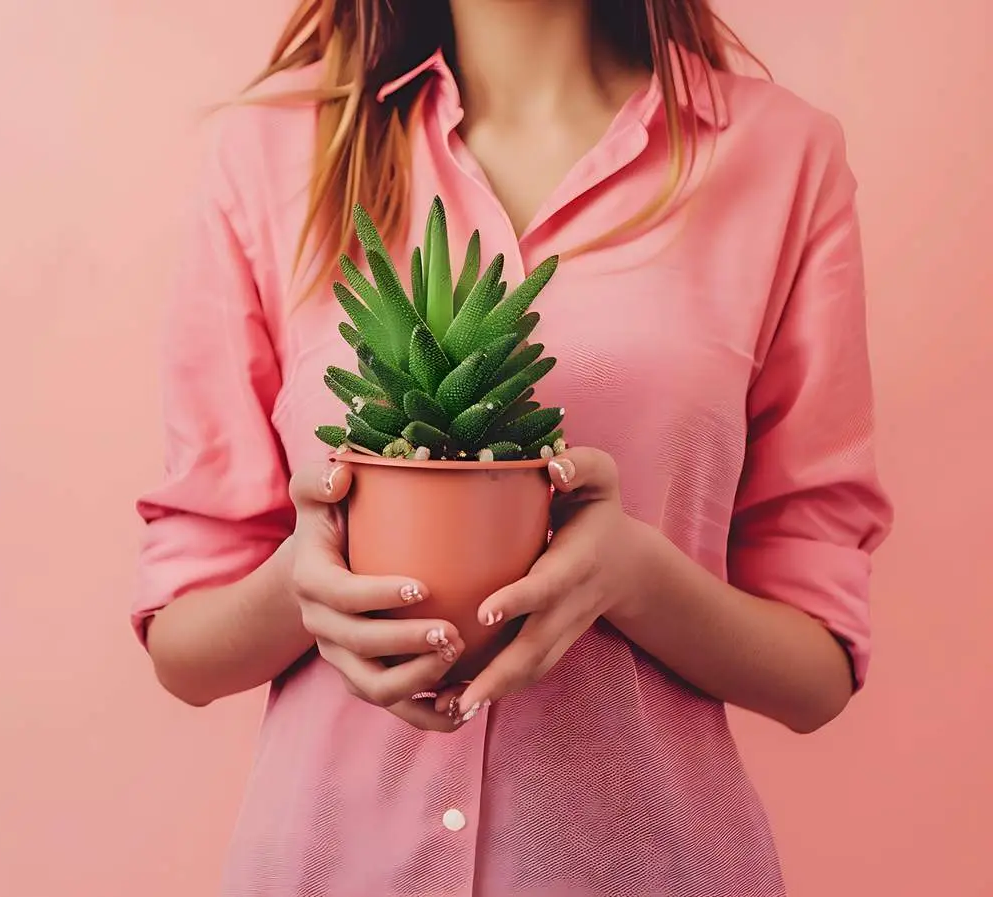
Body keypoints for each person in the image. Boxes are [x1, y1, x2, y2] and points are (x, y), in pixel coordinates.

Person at [130, 1, 893, 894]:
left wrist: (633, 575)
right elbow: (184, 643)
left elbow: (818, 669)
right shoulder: (268, 155)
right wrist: (307, 581)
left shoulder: (783, 157)